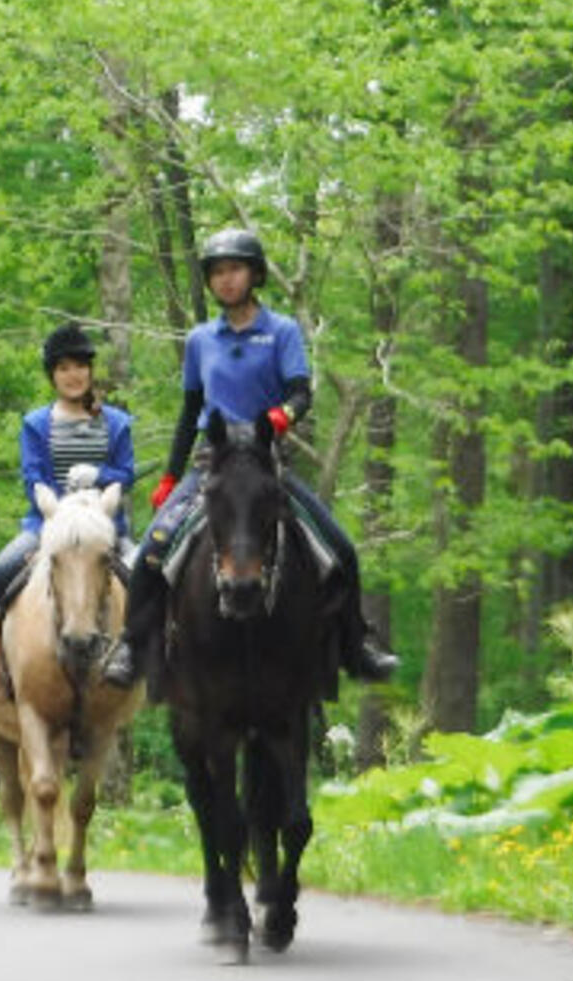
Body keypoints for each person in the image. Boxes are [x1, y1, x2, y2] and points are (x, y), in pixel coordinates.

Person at [102, 227, 398, 692]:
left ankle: (357, 643)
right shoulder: (201, 339)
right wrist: (170, 475)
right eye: (217, 272)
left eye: (235, 269)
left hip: (264, 462)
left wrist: (284, 414)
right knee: (153, 549)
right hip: (211, 463)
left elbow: (302, 392)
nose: (226, 279)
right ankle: (132, 645)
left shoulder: (281, 332)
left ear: (254, 274)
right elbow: (189, 410)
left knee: (340, 548)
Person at [0, 323, 138, 688]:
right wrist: (56, 512)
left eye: (80, 366)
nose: (73, 375)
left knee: (149, 574)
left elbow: (124, 473)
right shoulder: (36, 424)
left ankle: (149, 654)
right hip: (48, 525)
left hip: (106, 526)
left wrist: (98, 477)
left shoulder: (117, 423)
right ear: (53, 375)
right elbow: (34, 477)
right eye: (64, 368)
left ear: (90, 371)